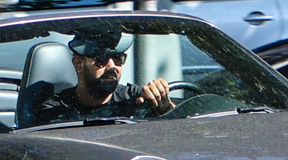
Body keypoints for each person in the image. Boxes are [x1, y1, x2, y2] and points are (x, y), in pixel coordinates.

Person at [18, 25, 175, 126]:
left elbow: (177, 128)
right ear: (78, 64)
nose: (112, 66)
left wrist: (164, 106)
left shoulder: (135, 97)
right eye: (101, 59)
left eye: (119, 59)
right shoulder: (56, 109)